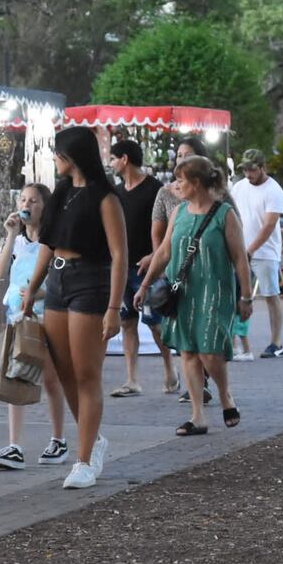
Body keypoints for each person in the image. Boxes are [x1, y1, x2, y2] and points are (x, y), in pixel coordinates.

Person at [21, 126, 127, 489]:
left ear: (72, 157)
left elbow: (119, 255)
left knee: (86, 373)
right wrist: (32, 289)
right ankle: (91, 438)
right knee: (63, 371)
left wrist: (114, 307)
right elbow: (47, 243)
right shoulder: (62, 192)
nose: (54, 159)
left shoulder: (104, 197)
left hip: (90, 281)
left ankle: (83, 459)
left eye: (57, 153)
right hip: (57, 282)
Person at [134, 156, 252, 435]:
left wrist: (246, 297)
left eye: (181, 180)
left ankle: (225, 395)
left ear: (196, 183)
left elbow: (240, 259)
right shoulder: (179, 213)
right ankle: (197, 415)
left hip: (215, 293)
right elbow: (164, 252)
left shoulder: (225, 215)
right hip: (183, 292)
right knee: (187, 350)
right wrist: (145, 285)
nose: (176, 185)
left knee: (210, 351)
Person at [151, 137, 238, 402]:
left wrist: (244, 293)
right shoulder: (167, 194)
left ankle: (217, 390)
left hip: (213, 282)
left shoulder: (221, 202)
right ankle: (197, 403)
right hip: (180, 280)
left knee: (208, 346)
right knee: (187, 346)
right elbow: (160, 237)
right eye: (178, 155)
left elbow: (237, 247)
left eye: (187, 155)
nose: (181, 160)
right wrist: (155, 273)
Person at [0, 184, 68, 470]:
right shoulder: (20, 242)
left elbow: (61, 279)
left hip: (45, 314)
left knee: (50, 378)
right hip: (17, 316)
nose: (26, 205)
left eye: (33, 201)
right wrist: (10, 235)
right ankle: (14, 444)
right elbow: (0, 273)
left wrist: (40, 294)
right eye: (23, 199)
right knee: (15, 376)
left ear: (44, 207)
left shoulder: (53, 242)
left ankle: (58, 438)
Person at [107, 140, 179, 397]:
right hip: (122, 267)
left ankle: (170, 368)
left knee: (154, 322)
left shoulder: (155, 190)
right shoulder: (115, 192)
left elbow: (170, 227)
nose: (111, 163)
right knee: (127, 321)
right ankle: (131, 378)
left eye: (113, 158)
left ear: (124, 159)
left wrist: (155, 256)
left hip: (147, 267)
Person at [231, 149, 283, 358]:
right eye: (245, 169)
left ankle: (276, 342)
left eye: (252, 170)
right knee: (238, 295)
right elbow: (232, 213)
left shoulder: (273, 191)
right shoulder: (239, 187)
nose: (248, 174)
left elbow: (269, 225)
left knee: (271, 295)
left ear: (263, 168)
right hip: (240, 250)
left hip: (265, 252)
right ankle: (238, 343)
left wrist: (251, 249)